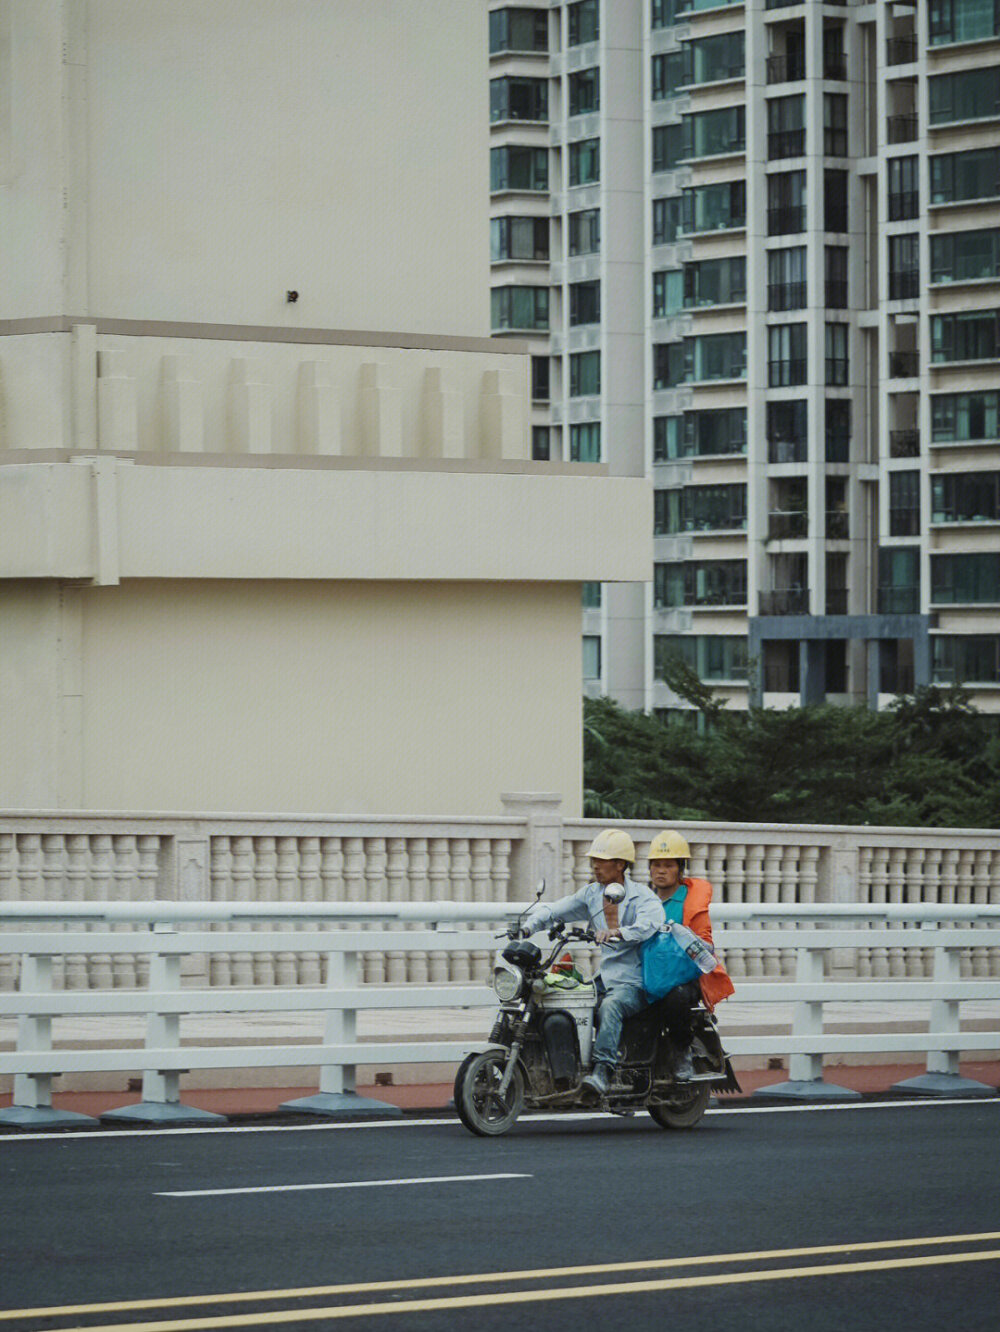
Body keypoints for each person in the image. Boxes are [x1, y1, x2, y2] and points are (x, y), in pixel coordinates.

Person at [513, 828, 662, 1098]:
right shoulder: (592, 894)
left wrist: (618, 932)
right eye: (593, 859)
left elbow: (650, 925)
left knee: (611, 1006)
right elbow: (558, 908)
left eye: (601, 860)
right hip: (606, 977)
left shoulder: (643, 897)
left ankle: (603, 1071)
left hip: (636, 981)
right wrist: (528, 927)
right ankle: (565, 1071)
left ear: (620, 865)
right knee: (565, 998)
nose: (595, 865)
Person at [646, 829, 734, 1080]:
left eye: (668, 865)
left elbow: (705, 942)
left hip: (684, 979)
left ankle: (681, 1051)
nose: (661, 870)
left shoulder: (691, 903)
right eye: (656, 865)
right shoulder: (646, 901)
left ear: (680, 869)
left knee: (675, 999)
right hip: (650, 975)